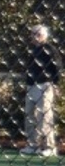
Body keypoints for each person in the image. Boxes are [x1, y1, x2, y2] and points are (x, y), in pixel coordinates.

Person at [21, 23, 59, 157]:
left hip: (45, 85)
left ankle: (49, 146)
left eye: (38, 34)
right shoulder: (32, 50)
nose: (35, 37)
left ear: (45, 35)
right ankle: (33, 145)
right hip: (31, 85)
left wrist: (55, 84)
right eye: (33, 34)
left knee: (45, 115)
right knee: (29, 114)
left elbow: (56, 68)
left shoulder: (50, 49)